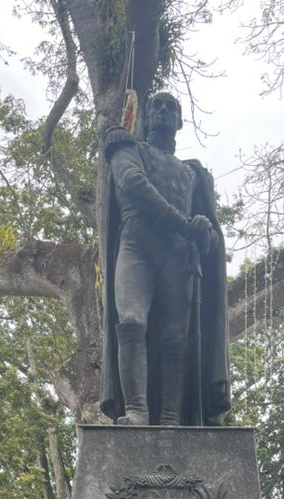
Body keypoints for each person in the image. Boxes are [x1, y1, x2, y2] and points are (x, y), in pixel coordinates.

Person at [100, 92, 230, 427]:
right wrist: (183, 223)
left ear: (181, 122)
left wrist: (202, 230)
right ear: (143, 117)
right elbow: (133, 184)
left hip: (178, 254)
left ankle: (172, 417)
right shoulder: (128, 148)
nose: (162, 111)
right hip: (136, 244)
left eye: (171, 108)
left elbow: (210, 237)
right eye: (155, 106)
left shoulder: (193, 175)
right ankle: (137, 410)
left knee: (176, 339)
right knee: (130, 322)